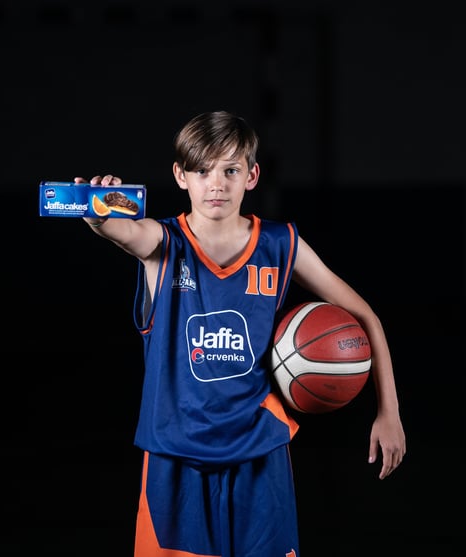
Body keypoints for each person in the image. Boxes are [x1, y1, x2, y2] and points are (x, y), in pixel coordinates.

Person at [75, 110, 406, 557]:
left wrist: (389, 412)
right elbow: (125, 231)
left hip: (259, 452)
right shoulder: (164, 244)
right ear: (180, 176)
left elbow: (366, 316)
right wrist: (97, 213)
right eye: (202, 171)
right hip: (176, 454)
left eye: (230, 170)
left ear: (251, 176)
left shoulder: (279, 244)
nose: (216, 184)